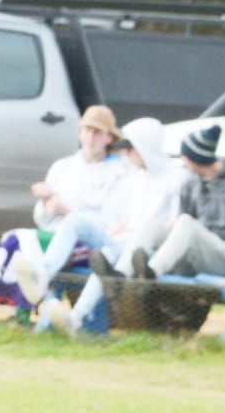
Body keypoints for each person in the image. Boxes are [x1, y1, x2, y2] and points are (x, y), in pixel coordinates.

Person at [0, 105, 128, 324]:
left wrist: (68, 210)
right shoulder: (63, 167)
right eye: (87, 130)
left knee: (28, 240)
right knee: (12, 238)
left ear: (109, 138)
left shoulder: (118, 173)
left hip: (89, 244)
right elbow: (42, 220)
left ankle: (24, 310)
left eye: (97, 132)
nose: (91, 137)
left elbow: (113, 223)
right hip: (56, 236)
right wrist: (47, 205)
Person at [32, 116, 179, 334]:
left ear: (145, 147)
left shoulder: (175, 177)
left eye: (131, 148)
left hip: (142, 251)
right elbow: (114, 214)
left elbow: (172, 224)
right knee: (76, 222)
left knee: (107, 259)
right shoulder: (133, 178)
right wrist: (116, 224)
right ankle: (42, 278)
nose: (127, 153)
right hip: (118, 237)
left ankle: (76, 317)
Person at [137, 123, 225, 280]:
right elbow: (181, 227)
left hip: (223, 258)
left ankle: (150, 274)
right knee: (151, 225)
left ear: (196, 159)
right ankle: (120, 275)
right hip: (190, 254)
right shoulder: (190, 184)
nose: (183, 161)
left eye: (185, 157)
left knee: (186, 223)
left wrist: (204, 231)